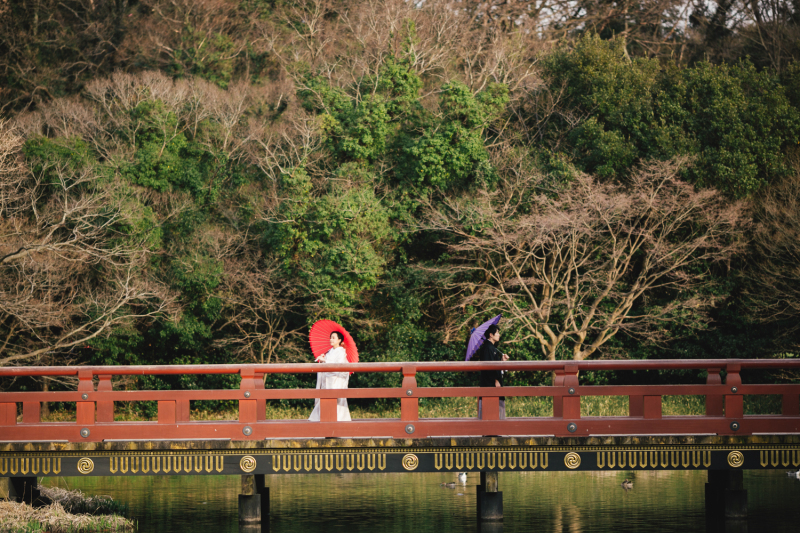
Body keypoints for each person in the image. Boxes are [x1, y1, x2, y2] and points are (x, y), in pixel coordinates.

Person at [308, 331, 352, 422]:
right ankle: (323, 420)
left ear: (339, 340)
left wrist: (325, 360)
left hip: (336, 381)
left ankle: (338, 422)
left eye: (333, 337)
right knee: (324, 400)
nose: (331, 339)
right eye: (330, 337)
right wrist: (323, 359)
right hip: (326, 380)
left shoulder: (341, 352)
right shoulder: (329, 352)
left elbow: (338, 365)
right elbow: (328, 362)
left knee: (336, 402)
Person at [478, 324, 509, 419]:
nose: (499, 335)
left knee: (492, 404)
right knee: (493, 404)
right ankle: (493, 428)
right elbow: (489, 367)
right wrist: (496, 380)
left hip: (491, 382)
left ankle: (493, 428)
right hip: (491, 383)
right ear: (491, 335)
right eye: (497, 333)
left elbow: (494, 365)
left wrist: (502, 361)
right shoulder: (488, 348)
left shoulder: (490, 347)